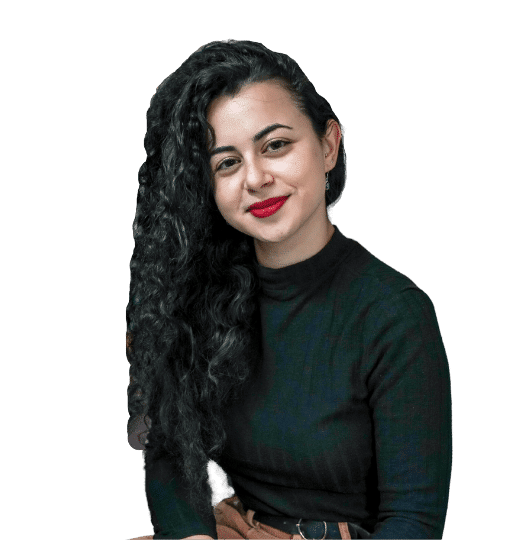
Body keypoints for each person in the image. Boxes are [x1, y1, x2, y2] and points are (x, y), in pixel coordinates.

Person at [125, 39, 453, 540]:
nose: (256, 178)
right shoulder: (203, 295)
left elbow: (414, 521)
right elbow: (170, 456)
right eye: (226, 163)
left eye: (275, 145)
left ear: (328, 146)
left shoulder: (394, 314)